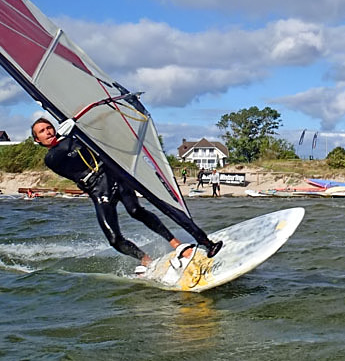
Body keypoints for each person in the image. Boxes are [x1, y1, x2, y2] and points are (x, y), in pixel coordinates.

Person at [31, 118, 222, 275]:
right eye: (42, 131)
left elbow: (99, 137)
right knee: (114, 239)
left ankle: (178, 244)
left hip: (114, 177)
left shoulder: (75, 137)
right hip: (98, 190)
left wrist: (79, 128)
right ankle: (145, 259)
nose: (48, 132)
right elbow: (62, 152)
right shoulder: (52, 158)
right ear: (37, 140)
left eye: (49, 127)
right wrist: (74, 132)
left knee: (136, 210)